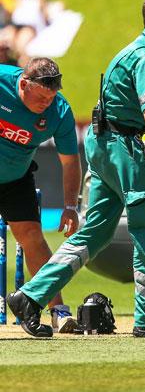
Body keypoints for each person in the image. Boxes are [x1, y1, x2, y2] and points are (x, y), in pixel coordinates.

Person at [9, 0, 145, 338]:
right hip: (121, 147)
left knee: (95, 232)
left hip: (106, 143)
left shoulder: (136, 50)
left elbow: (137, 117)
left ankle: (30, 297)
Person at [0, 57, 80, 333]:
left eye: (51, 97)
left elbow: (70, 162)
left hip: (15, 179)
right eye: (41, 97)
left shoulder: (59, 110)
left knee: (33, 238)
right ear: (23, 83)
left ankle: (57, 310)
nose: (46, 103)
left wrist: (71, 206)